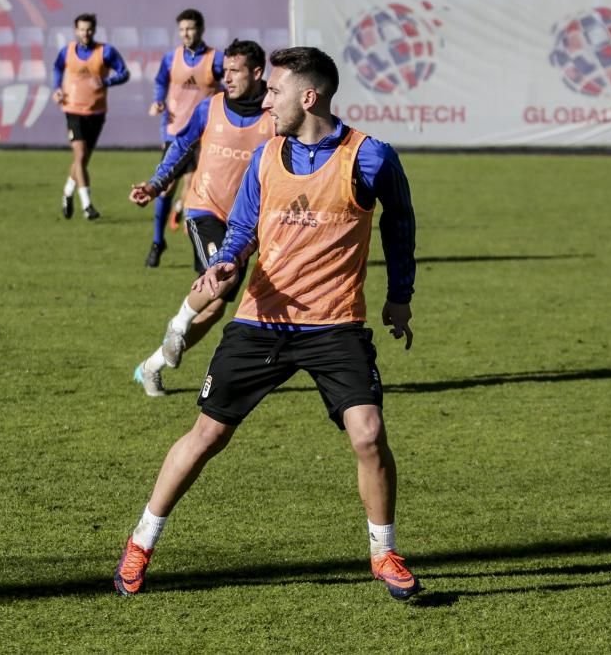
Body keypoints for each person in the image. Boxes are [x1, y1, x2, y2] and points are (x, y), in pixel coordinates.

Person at [114, 47, 421, 602]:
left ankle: (384, 553)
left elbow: (400, 224)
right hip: (261, 321)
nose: (267, 100)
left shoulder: (370, 157)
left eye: (276, 91)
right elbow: (241, 228)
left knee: (370, 434)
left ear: (310, 97)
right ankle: (140, 543)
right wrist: (227, 261)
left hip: (335, 326)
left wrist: (400, 297)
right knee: (206, 436)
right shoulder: (265, 156)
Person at [130, 39, 272, 396]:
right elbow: (180, 147)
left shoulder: (276, 117)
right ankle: (177, 326)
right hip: (204, 209)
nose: (227, 77)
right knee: (221, 279)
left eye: (235, 71)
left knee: (214, 309)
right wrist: (155, 184)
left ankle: (151, 366)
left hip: (247, 226)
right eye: (225, 70)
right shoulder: (210, 108)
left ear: (257, 73)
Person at [144, 9, 224, 267]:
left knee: (194, 189)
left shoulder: (215, 60)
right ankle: (158, 242)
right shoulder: (171, 59)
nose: (186, 33)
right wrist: (158, 101)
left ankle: (197, 250)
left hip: (204, 137)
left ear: (200, 29)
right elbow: (160, 83)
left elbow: (231, 84)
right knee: (165, 188)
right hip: (175, 132)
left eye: (190, 28)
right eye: (182, 29)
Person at [52, 13, 130, 220]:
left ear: (94, 30)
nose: (85, 33)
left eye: (89, 29)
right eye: (81, 29)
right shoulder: (67, 52)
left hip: (96, 111)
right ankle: (87, 206)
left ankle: (67, 193)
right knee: (79, 154)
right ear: (75, 30)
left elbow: (124, 73)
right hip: (73, 110)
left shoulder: (105, 52)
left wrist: (106, 82)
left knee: (82, 159)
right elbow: (57, 68)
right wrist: (57, 88)